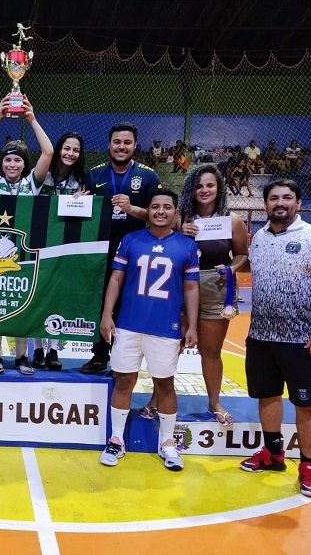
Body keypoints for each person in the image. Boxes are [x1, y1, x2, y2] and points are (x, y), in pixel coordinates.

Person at [99, 189, 199, 472]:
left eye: (167, 207)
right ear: (148, 209)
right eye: (155, 206)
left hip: (165, 328)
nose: (160, 211)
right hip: (129, 324)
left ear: (175, 212)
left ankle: (168, 443)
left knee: (165, 384)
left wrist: (191, 324)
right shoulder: (130, 240)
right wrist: (107, 314)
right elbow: (116, 279)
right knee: (124, 381)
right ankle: (116, 439)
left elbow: (192, 288)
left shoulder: (187, 246)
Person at [141, 165, 249, 425]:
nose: (204, 190)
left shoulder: (231, 219)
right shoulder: (180, 218)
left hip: (215, 287)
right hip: (179, 287)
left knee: (210, 351)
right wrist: (179, 233)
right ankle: (156, 400)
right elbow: (161, 241)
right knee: (171, 348)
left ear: (219, 188)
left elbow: (243, 256)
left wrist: (230, 268)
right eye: (199, 185)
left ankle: (214, 402)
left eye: (210, 185)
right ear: (192, 188)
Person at [240, 179, 311, 498]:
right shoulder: (260, 237)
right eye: (274, 198)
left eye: (287, 197)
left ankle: (308, 466)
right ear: (265, 205)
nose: (280, 203)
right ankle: (274, 455)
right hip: (261, 336)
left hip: (301, 339)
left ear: (298, 204)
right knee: (268, 396)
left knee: (306, 404)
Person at [0, 95, 53, 375]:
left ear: (24, 164)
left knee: (21, 305)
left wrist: (31, 119)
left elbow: (48, 153)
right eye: (8, 159)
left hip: (24, 254)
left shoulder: (33, 183)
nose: (12, 164)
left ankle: (21, 357)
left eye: (18, 160)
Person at [82, 123, 162, 374]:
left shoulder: (149, 176)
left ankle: (123, 358)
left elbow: (160, 214)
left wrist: (132, 209)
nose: (121, 147)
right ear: (109, 144)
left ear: (135, 146)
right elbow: (84, 211)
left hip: (136, 250)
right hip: (101, 249)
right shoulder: (95, 175)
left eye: (127, 143)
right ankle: (99, 355)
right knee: (101, 302)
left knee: (129, 303)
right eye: (117, 142)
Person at [32, 131, 87, 370]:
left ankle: (53, 350)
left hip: (64, 246)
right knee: (37, 296)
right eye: (67, 148)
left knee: (58, 298)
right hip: (39, 242)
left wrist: (79, 201)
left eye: (75, 150)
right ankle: (37, 350)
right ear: (58, 149)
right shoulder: (43, 175)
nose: (70, 154)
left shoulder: (81, 181)